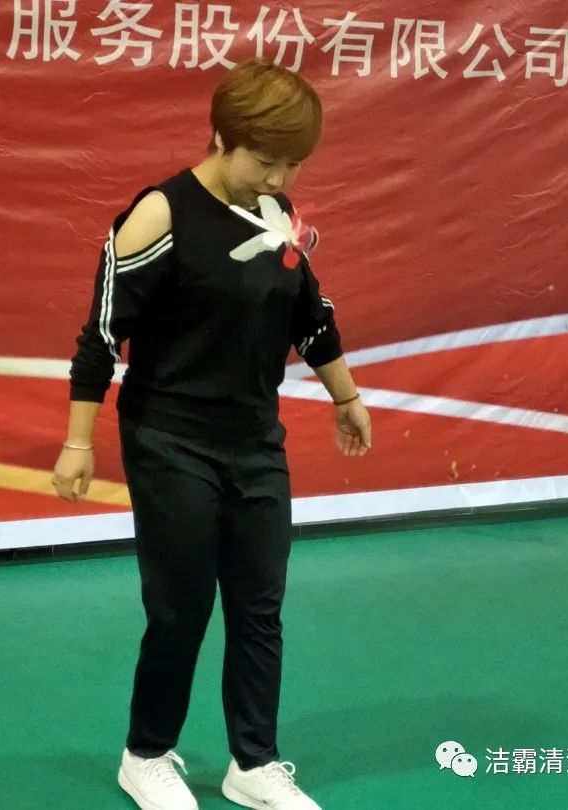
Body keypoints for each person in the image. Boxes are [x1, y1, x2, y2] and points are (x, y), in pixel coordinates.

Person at [52, 57, 372, 810]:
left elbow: (309, 315)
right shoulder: (159, 215)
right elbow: (102, 337)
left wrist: (346, 396)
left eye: (292, 163)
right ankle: (146, 754)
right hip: (170, 440)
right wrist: (77, 442)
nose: (278, 176)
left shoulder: (276, 211)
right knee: (182, 606)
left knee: (260, 607)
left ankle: (253, 763)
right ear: (221, 138)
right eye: (264, 159)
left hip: (254, 441)